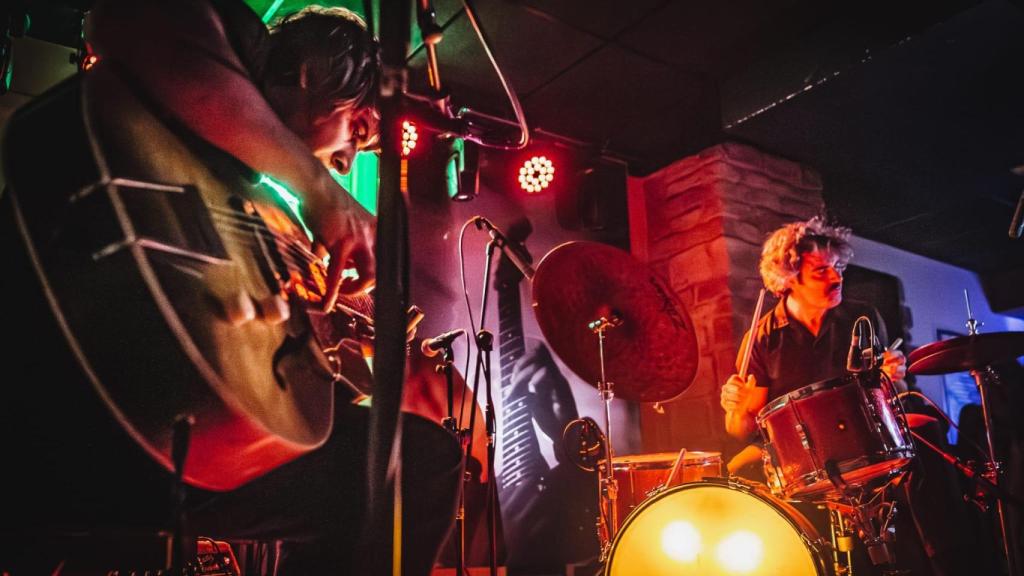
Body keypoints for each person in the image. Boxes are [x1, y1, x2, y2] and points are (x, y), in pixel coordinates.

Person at [0, 2, 460, 574]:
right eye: (358, 130)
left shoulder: (252, 196)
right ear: (318, 71)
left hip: (160, 433)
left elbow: (198, 317)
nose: (344, 162)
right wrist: (319, 188)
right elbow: (126, 18)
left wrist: (310, 329)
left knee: (410, 462)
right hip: (56, 391)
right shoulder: (240, 39)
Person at [718, 215, 971, 576]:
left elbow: (889, 399)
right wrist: (735, 406)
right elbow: (742, 428)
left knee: (925, 429)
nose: (837, 277)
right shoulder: (763, 336)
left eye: (837, 267)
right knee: (736, 470)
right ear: (788, 278)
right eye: (821, 271)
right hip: (797, 452)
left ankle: (948, 561)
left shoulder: (861, 318)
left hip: (860, 434)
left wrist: (891, 378)